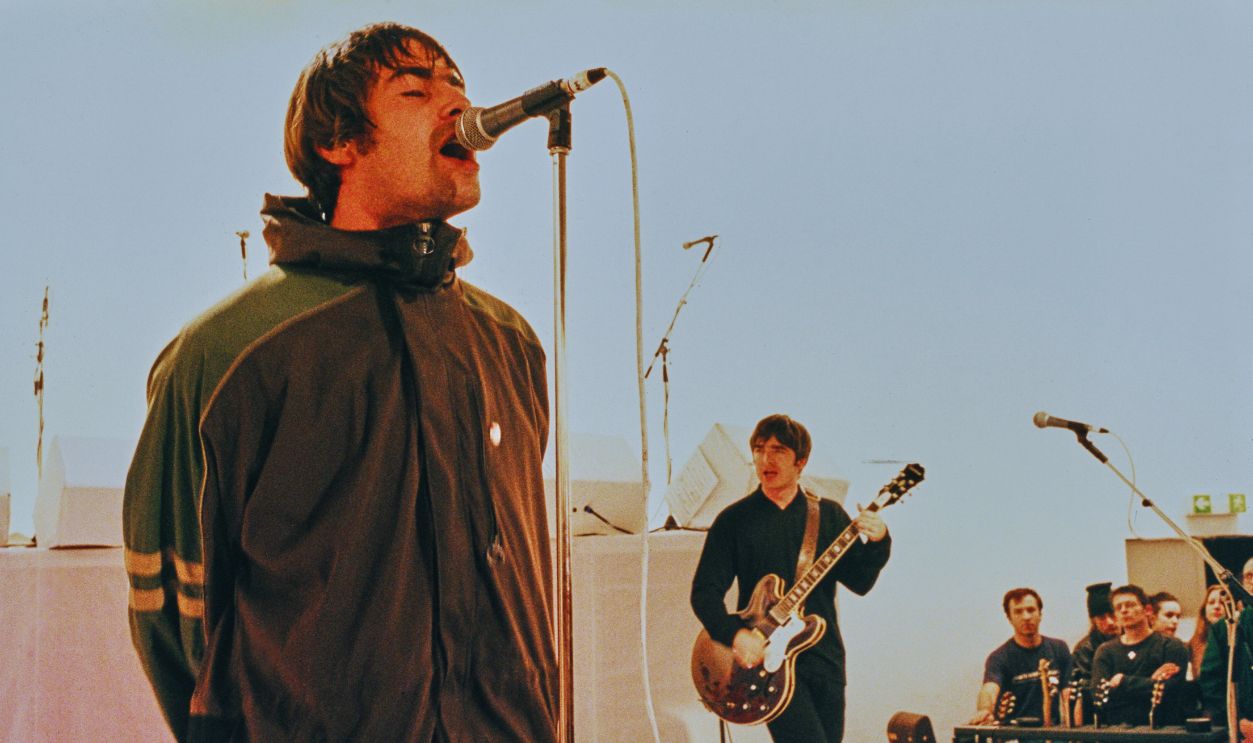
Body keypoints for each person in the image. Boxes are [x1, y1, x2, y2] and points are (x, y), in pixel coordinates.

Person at [123, 22, 557, 743]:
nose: (456, 106)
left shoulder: (510, 342)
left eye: (458, 86)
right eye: (416, 90)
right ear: (338, 142)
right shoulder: (231, 350)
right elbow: (170, 609)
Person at [690, 414, 891, 743]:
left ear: (801, 461)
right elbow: (704, 594)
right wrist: (737, 635)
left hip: (823, 660)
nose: (766, 459)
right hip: (769, 667)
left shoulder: (828, 515)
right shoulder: (734, 521)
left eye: (778, 450)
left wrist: (880, 540)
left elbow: (861, 582)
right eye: (758, 449)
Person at [969, 588, 1072, 725]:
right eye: (1018, 611)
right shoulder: (999, 657)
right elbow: (990, 688)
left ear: (1040, 614)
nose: (1026, 617)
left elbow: (1068, 693)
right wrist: (984, 710)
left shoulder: (1059, 648)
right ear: (1009, 618)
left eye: (1031, 610)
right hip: (1014, 735)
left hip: (1053, 733)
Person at [1092, 584, 1190, 726]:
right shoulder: (1105, 651)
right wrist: (1152, 681)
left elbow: (1170, 692)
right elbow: (1100, 697)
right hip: (1119, 732)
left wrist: (1123, 681)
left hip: (1161, 730)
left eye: (1130, 605)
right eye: (1119, 607)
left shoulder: (1171, 646)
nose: (1124, 610)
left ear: (1147, 610)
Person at [1199, 558, 1253, 740]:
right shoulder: (1227, 628)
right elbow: (1211, 680)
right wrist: (1237, 720)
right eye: (1249, 576)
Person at [1068, 581, 1119, 719]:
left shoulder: (1130, 639)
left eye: (1112, 614)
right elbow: (1090, 692)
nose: (1110, 622)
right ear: (1094, 621)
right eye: (1102, 617)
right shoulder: (1084, 649)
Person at [1188, 584, 1228, 678]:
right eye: (1211, 602)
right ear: (1204, 610)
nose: (1217, 607)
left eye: (1223, 603)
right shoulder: (1193, 643)